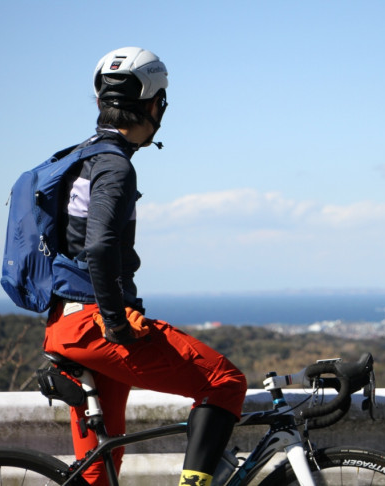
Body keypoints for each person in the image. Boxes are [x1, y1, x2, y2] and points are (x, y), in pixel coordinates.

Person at [42, 46, 247, 486]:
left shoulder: (79, 158)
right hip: (97, 325)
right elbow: (99, 248)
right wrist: (116, 323)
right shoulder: (114, 166)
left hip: (65, 325)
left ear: (100, 103)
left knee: (98, 473)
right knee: (224, 381)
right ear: (155, 105)